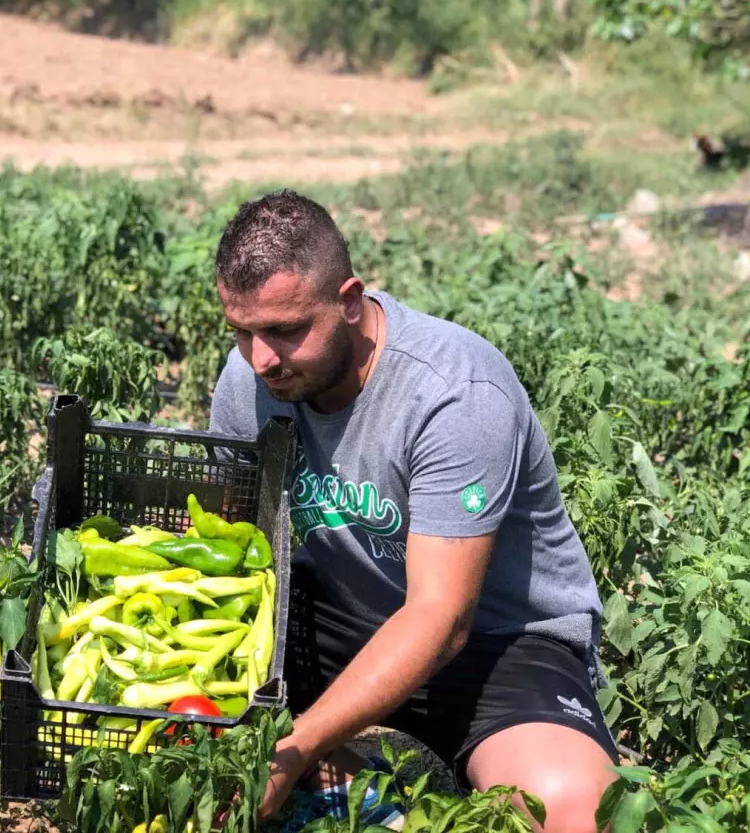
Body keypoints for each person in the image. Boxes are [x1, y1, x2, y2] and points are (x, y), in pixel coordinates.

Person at [205, 190, 620, 833]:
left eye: (286, 331)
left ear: (348, 302)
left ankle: (339, 759)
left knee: (570, 812)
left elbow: (441, 615)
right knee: (186, 742)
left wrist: (290, 748)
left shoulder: (452, 392)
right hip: (340, 619)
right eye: (242, 331)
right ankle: (362, 777)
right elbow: (236, 553)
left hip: (493, 641)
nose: (261, 359)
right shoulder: (251, 380)